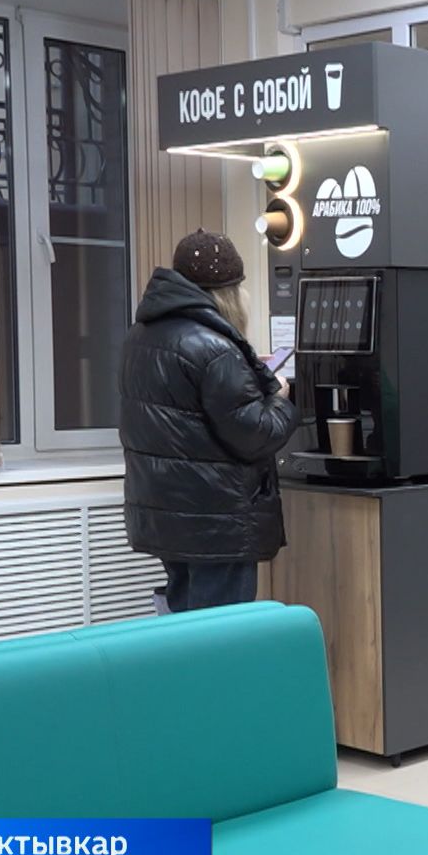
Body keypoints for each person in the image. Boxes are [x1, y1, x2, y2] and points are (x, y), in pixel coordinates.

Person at [121, 229, 299, 612]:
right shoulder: (215, 349)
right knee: (221, 635)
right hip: (216, 523)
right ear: (229, 292)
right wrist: (281, 400)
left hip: (167, 514)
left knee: (184, 627)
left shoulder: (140, 337)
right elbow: (253, 434)